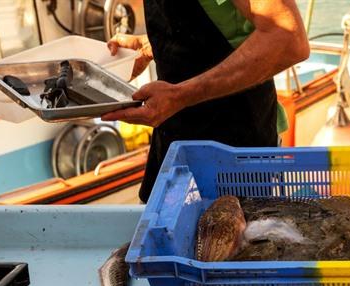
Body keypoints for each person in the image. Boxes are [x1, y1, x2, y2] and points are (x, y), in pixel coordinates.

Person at [102, 1, 310, 202]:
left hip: (237, 148)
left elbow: (287, 39)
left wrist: (179, 95)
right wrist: (148, 46)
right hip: (174, 140)